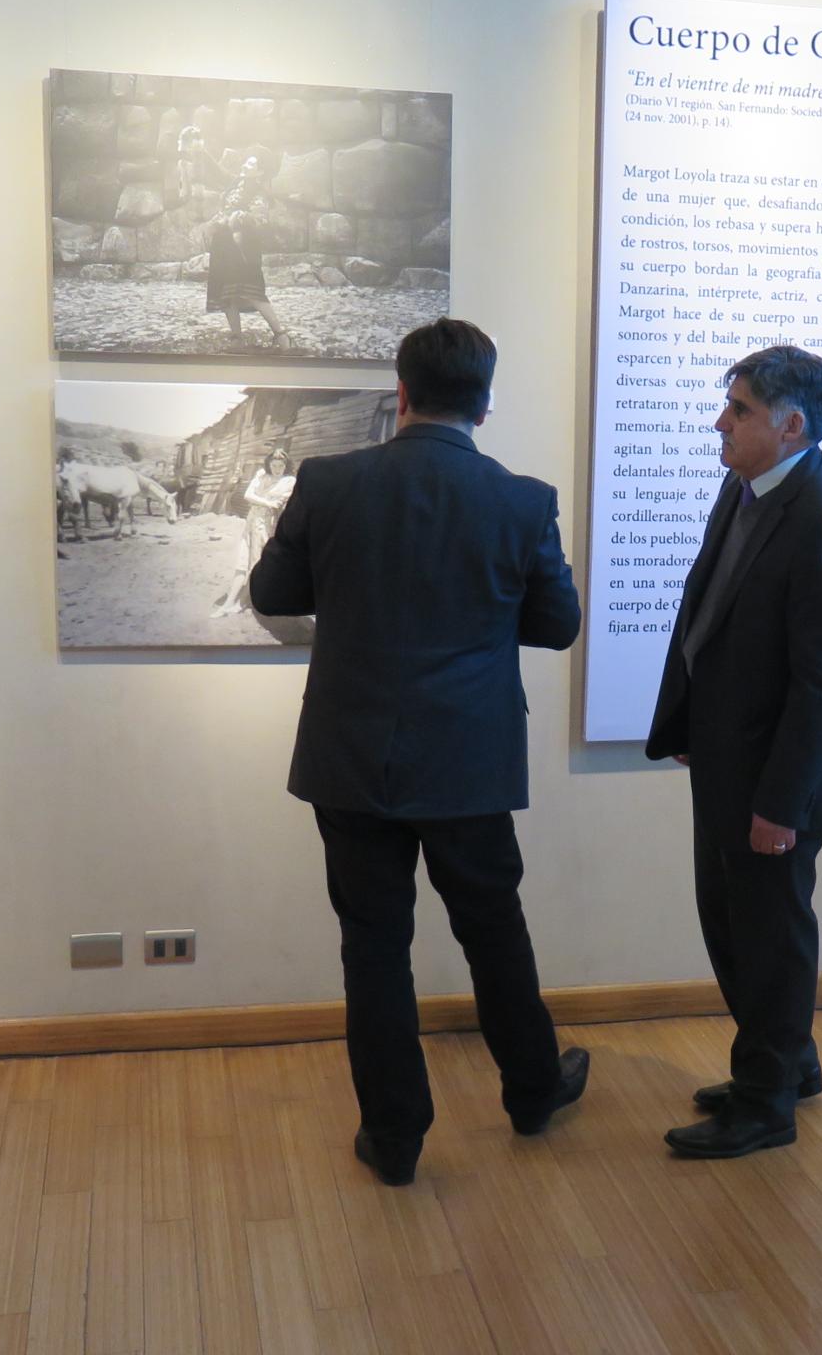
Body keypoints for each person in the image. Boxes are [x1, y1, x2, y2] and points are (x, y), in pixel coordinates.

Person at [251, 317, 588, 1186]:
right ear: (485, 403)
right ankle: (532, 1091)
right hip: (470, 758)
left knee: (373, 946)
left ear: (400, 394)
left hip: (351, 753)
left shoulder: (329, 482)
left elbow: (273, 591)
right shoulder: (522, 500)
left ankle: (395, 1139)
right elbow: (556, 627)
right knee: (493, 930)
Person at [644, 345, 822, 1160]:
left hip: (774, 782)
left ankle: (765, 1101)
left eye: (738, 410)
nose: (721, 422)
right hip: (726, 761)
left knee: (769, 939)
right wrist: (688, 725)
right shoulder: (746, 487)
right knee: (731, 925)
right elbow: (710, 611)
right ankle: (788, 1064)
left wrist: (778, 805)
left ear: (791, 424)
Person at [204, 156, 291, 350]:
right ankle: (236, 338)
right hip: (223, 244)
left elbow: (260, 221)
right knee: (225, 293)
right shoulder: (234, 184)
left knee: (252, 291)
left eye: (251, 164)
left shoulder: (260, 193)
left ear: (260, 172)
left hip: (244, 248)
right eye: (246, 162)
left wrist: (242, 218)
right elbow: (214, 172)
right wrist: (218, 222)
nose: (244, 165)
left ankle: (281, 335)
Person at [211, 449, 295, 619]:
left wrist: (274, 503)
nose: (277, 468)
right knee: (242, 561)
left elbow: (285, 502)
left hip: (267, 525)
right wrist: (268, 502)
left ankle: (242, 601)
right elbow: (248, 495)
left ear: (286, 466)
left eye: (281, 465)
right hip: (251, 522)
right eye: (274, 465)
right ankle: (229, 603)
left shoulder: (290, 481)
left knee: (256, 563)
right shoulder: (261, 476)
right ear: (268, 464)